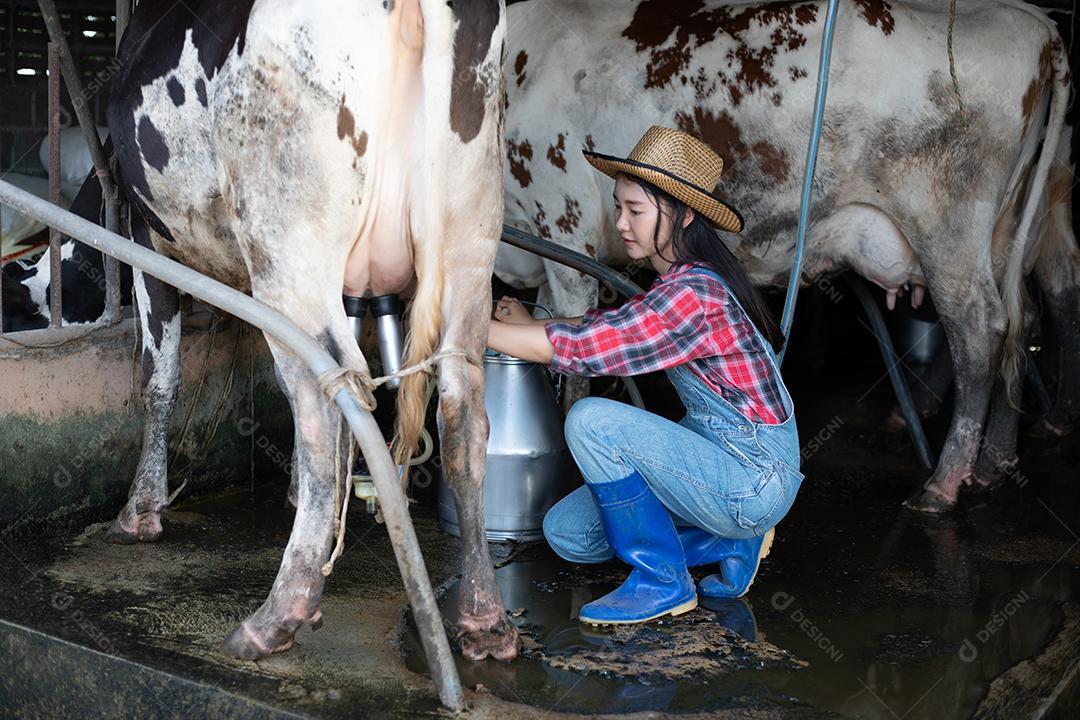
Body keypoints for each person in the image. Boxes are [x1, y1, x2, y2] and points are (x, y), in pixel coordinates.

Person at [487, 125, 803, 626]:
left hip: (752, 474)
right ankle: (728, 538)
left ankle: (664, 582)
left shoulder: (694, 293)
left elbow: (594, 350)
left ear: (684, 214)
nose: (621, 223)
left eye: (635, 211)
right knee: (568, 534)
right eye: (619, 208)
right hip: (721, 462)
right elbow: (611, 327)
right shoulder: (680, 282)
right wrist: (534, 326)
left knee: (592, 420)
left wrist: (465, 326)